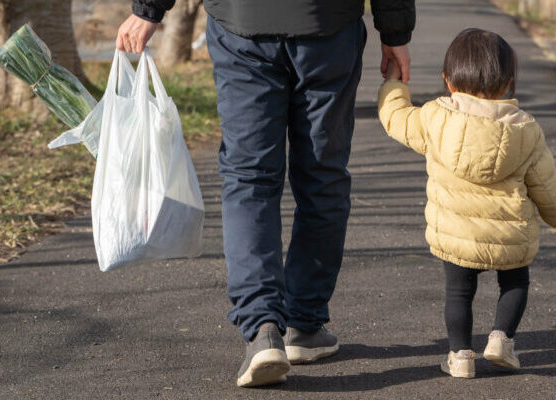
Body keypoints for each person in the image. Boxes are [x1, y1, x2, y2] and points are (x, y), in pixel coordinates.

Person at [117, 0, 415, 387]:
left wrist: (148, 10)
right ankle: (304, 326)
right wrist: (395, 33)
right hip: (328, 28)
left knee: (249, 177)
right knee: (322, 177)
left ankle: (262, 330)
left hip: (243, 25)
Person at [377, 28, 556, 378]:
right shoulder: (525, 130)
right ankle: (502, 340)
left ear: (448, 81)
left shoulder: (436, 118)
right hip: (510, 233)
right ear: (509, 82)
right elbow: (547, 184)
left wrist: (394, 81)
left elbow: (396, 118)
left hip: (456, 235)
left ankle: (460, 356)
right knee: (515, 284)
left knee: (458, 293)